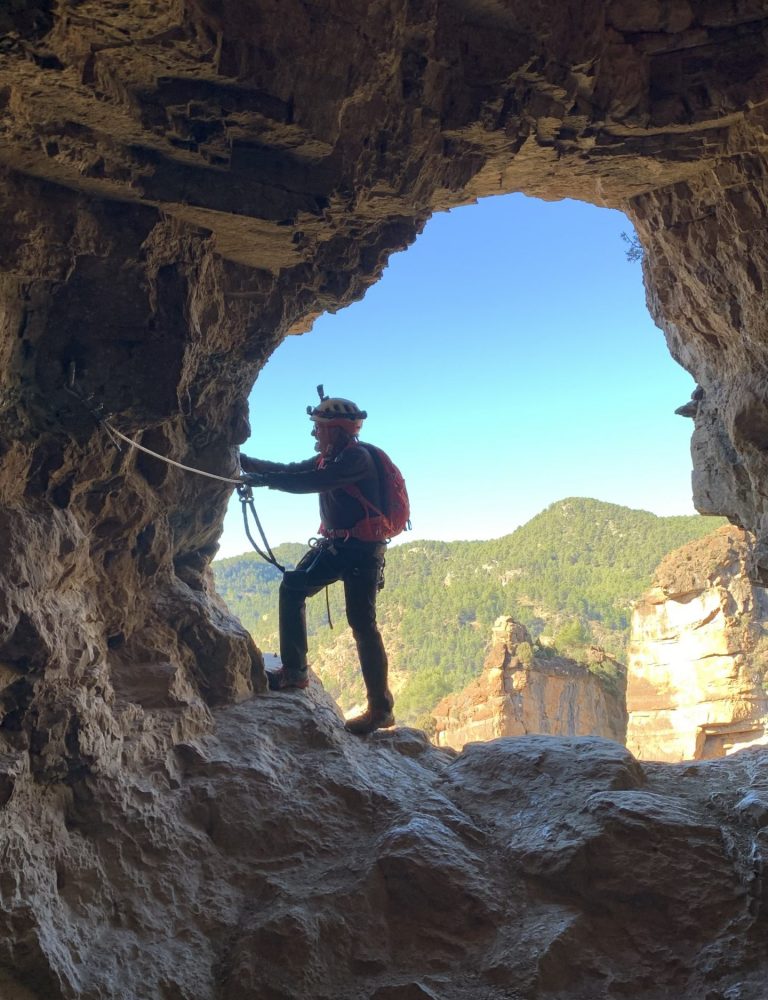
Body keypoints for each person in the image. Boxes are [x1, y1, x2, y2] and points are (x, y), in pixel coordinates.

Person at [239, 392, 395, 736]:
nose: (315, 434)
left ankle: (380, 709)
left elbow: (311, 482)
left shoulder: (355, 460)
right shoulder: (333, 457)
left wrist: (263, 481)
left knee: (361, 623)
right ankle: (295, 672)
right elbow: (294, 471)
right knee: (294, 586)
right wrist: (248, 464)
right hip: (342, 545)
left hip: (360, 551)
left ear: (337, 430)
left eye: (319, 428)